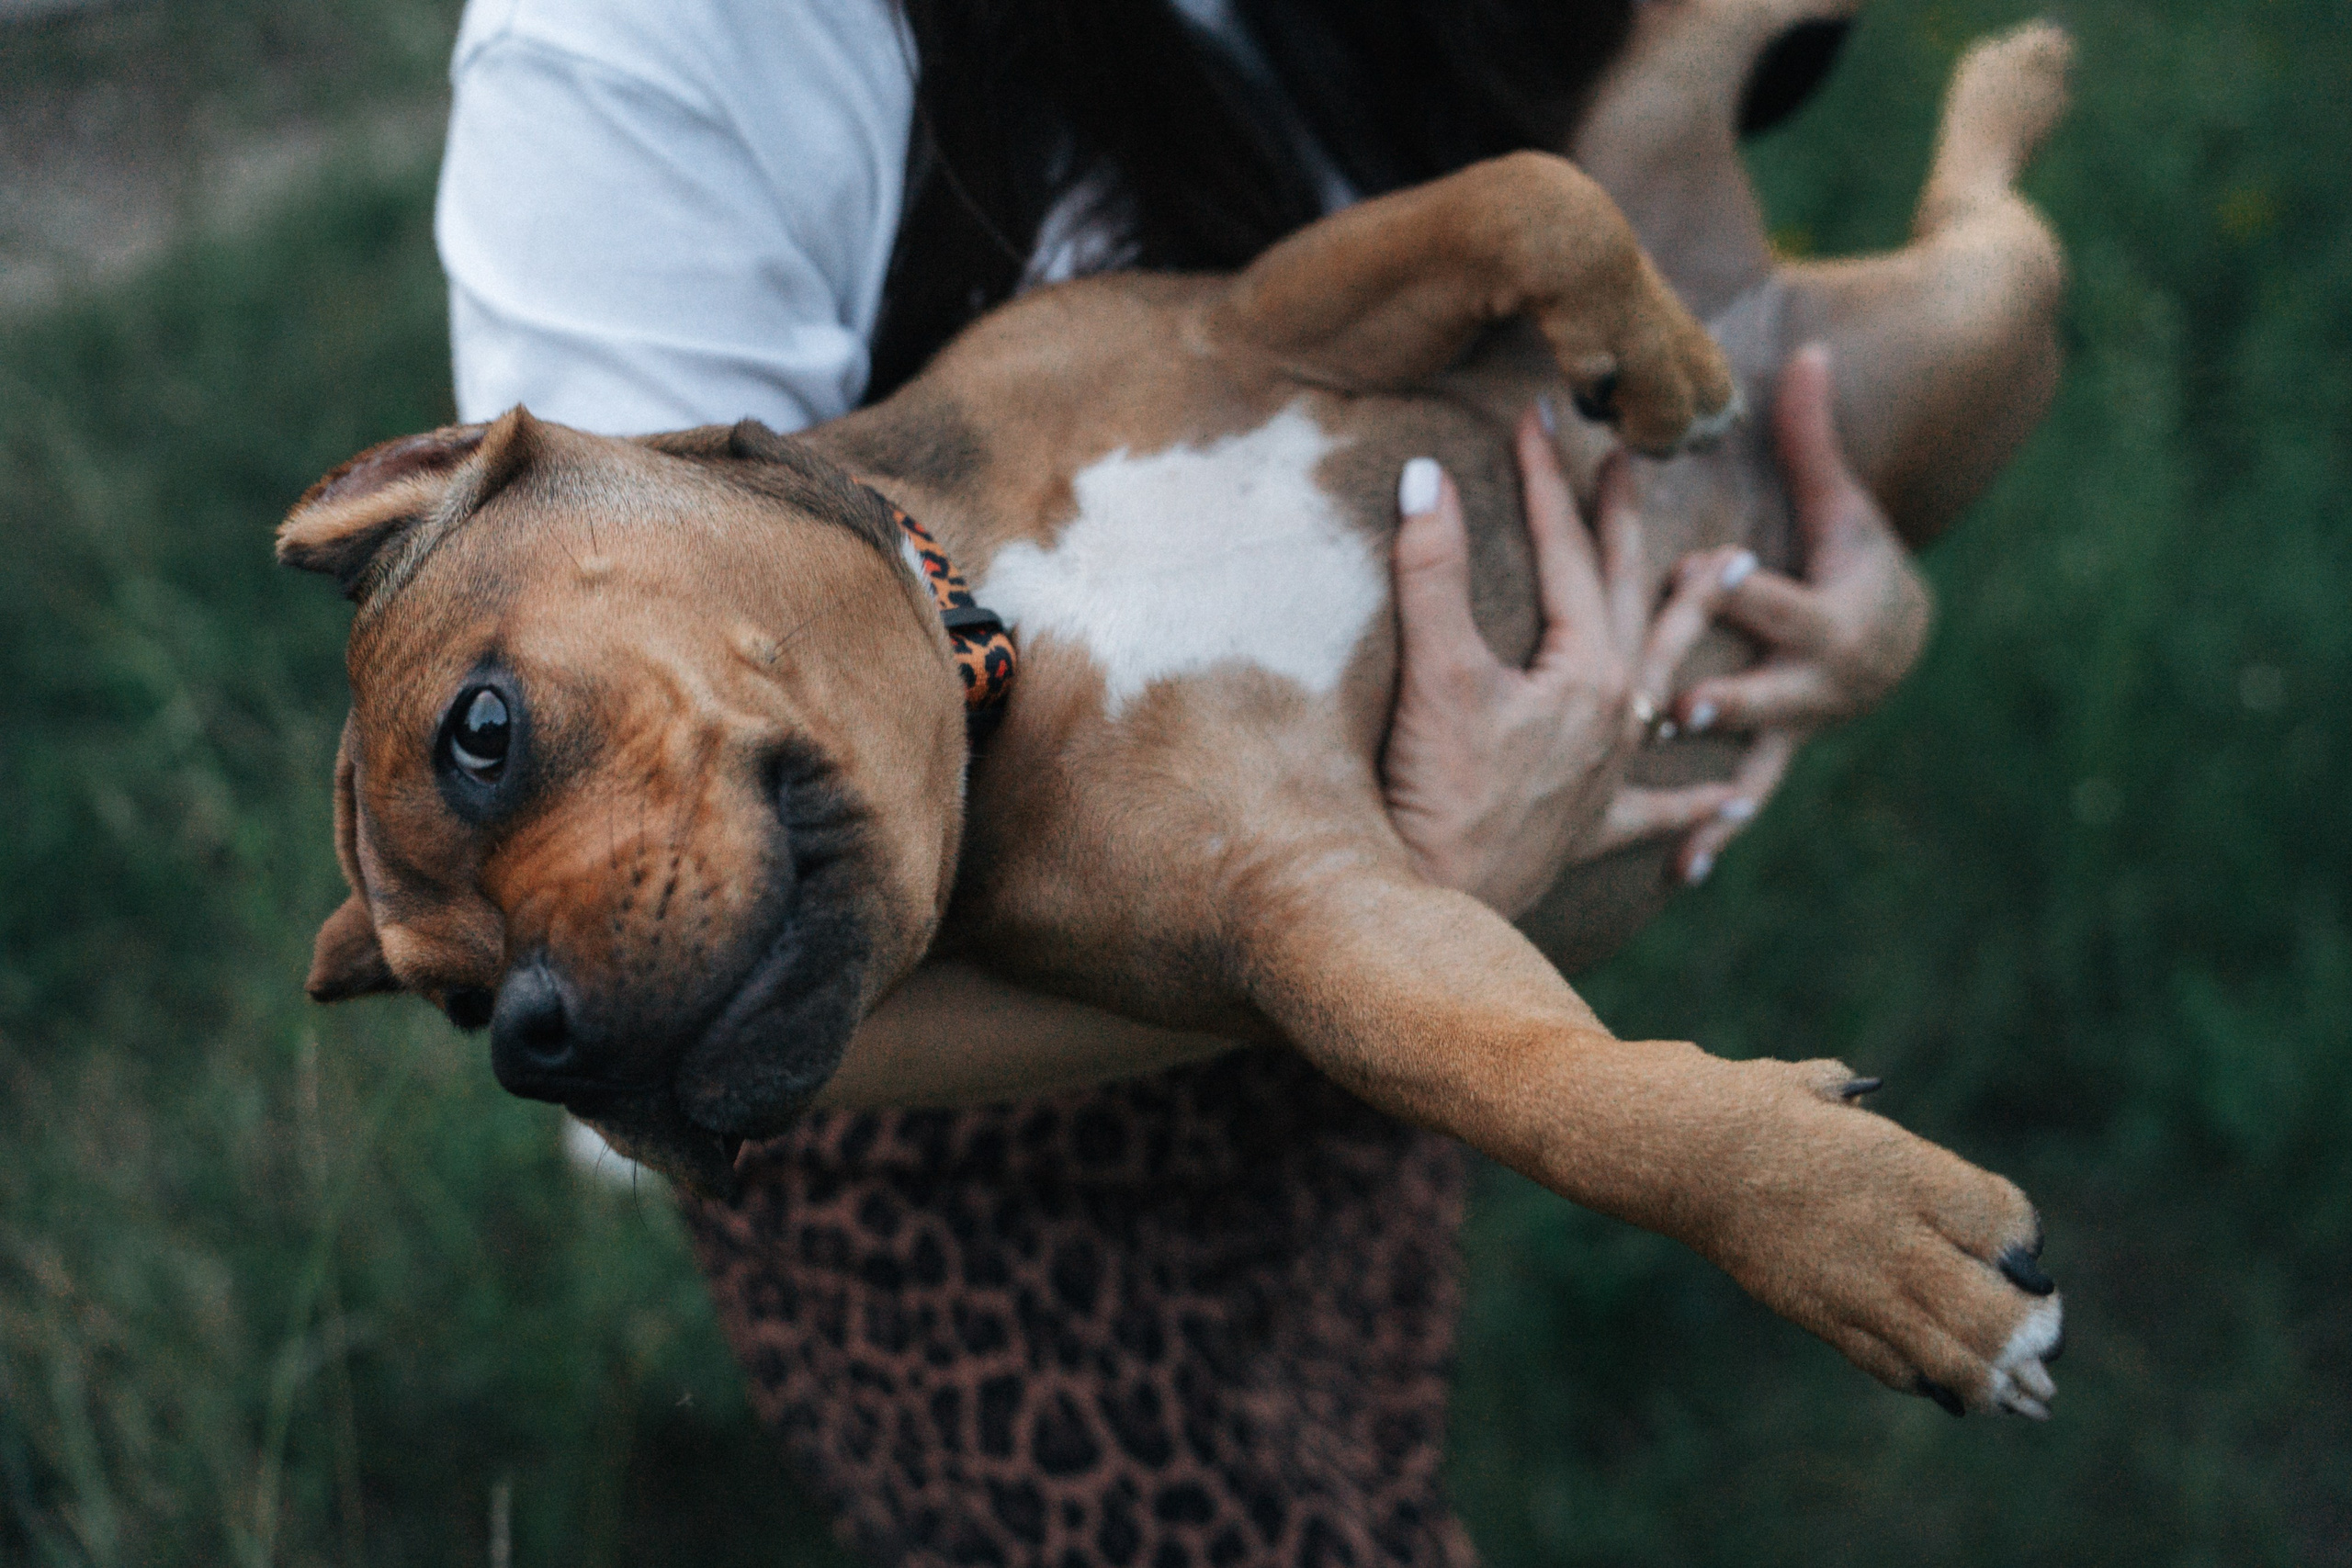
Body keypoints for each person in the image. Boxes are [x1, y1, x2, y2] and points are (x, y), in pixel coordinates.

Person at [435, 0, 1936, 1560]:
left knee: (1365, 1446)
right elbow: (666, 932)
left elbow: (1598, 323)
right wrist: (1366, 920)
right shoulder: (645, 54)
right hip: (965, 1159)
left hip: (1372, 926)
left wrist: (1820, 537)